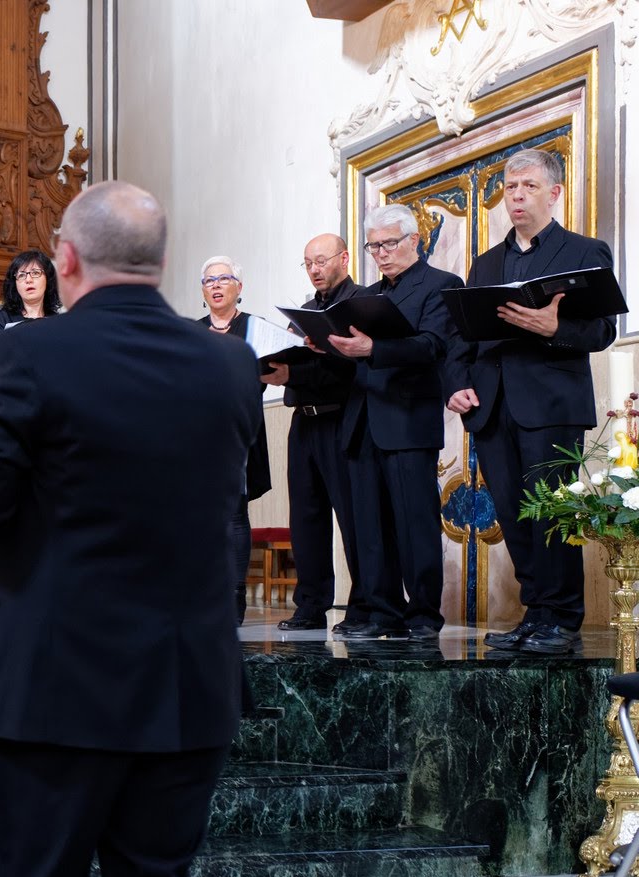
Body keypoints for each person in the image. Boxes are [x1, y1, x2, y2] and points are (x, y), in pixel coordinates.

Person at [0, 181, 259, 877]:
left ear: (66, 261)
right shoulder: (228, 364)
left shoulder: (34, 353)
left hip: (55, 692)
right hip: (185, 687)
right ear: (159, 264)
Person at [449, 150, 617, 655]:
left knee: (550, 514)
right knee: (514, 516)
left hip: (549, 405)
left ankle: (562, 619)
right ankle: (534, 613)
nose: (516, 195)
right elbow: (462, 338)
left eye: (527, 186)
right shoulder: (485, 263)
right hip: (492, 406)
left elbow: (604, 329)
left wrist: (555, 328)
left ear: (555, 192)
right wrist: (456, 383)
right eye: (510, 187)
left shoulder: (584, 251)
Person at [330, 203, 463, 641]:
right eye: (374, 246)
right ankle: (381, 612)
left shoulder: (441, 285)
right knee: (369, 525)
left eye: (389, 243)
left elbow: (431, 346)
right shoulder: (365, 295)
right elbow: (353, 353)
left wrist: (373, 350)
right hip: (362, 418)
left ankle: (423, 615)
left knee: (414, 522)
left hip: (406, 418)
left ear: (414, 240)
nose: (381, 253)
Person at [260, 234, 371, 633]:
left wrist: (296, 373)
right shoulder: (305, 311)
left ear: (344, 258)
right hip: (303, 423)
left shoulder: (360, 305)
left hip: (342, 419)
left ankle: (362, 607)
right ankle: (310, 606)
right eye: (307, 263)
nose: (315, 269)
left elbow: (351, 369)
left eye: (321, 261)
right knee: (306, 518)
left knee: (353, 518)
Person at [196, 256, 272, 624]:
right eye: (209, 280)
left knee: (234, 514)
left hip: (239, 433)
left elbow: (268, 374)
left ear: (238, 287)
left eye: (224, 278)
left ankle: (233, 595)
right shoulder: (191, 333)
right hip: (197, 437)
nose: (216, 285)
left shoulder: (256, 328)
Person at [0, 251, 63, 332]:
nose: (28, 280)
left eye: (35, 273)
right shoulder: (0, 320)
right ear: (14, 284)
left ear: (48, 279)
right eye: (22, 275)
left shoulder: (59, 322)